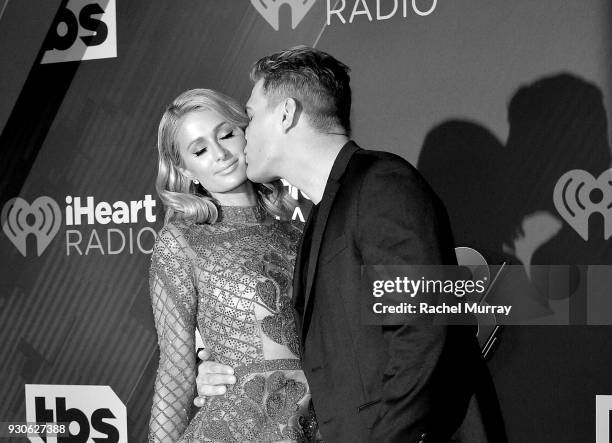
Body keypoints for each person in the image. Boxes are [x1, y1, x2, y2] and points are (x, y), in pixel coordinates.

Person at [195, 47, 506, 442]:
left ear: (287, 113)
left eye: (252, 117)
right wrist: (228, 371)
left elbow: (423, 331)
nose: (243, 135)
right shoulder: (317, 221)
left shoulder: (380, 184)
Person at [148, 88, 322, 442]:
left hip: (317, 421)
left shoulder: (302, 231)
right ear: (185, 169)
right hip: (236, 428)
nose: (221, 154)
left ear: (247, 132)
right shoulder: (182, 241)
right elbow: (175, 371)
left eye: (226, 134)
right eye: (199, 150)